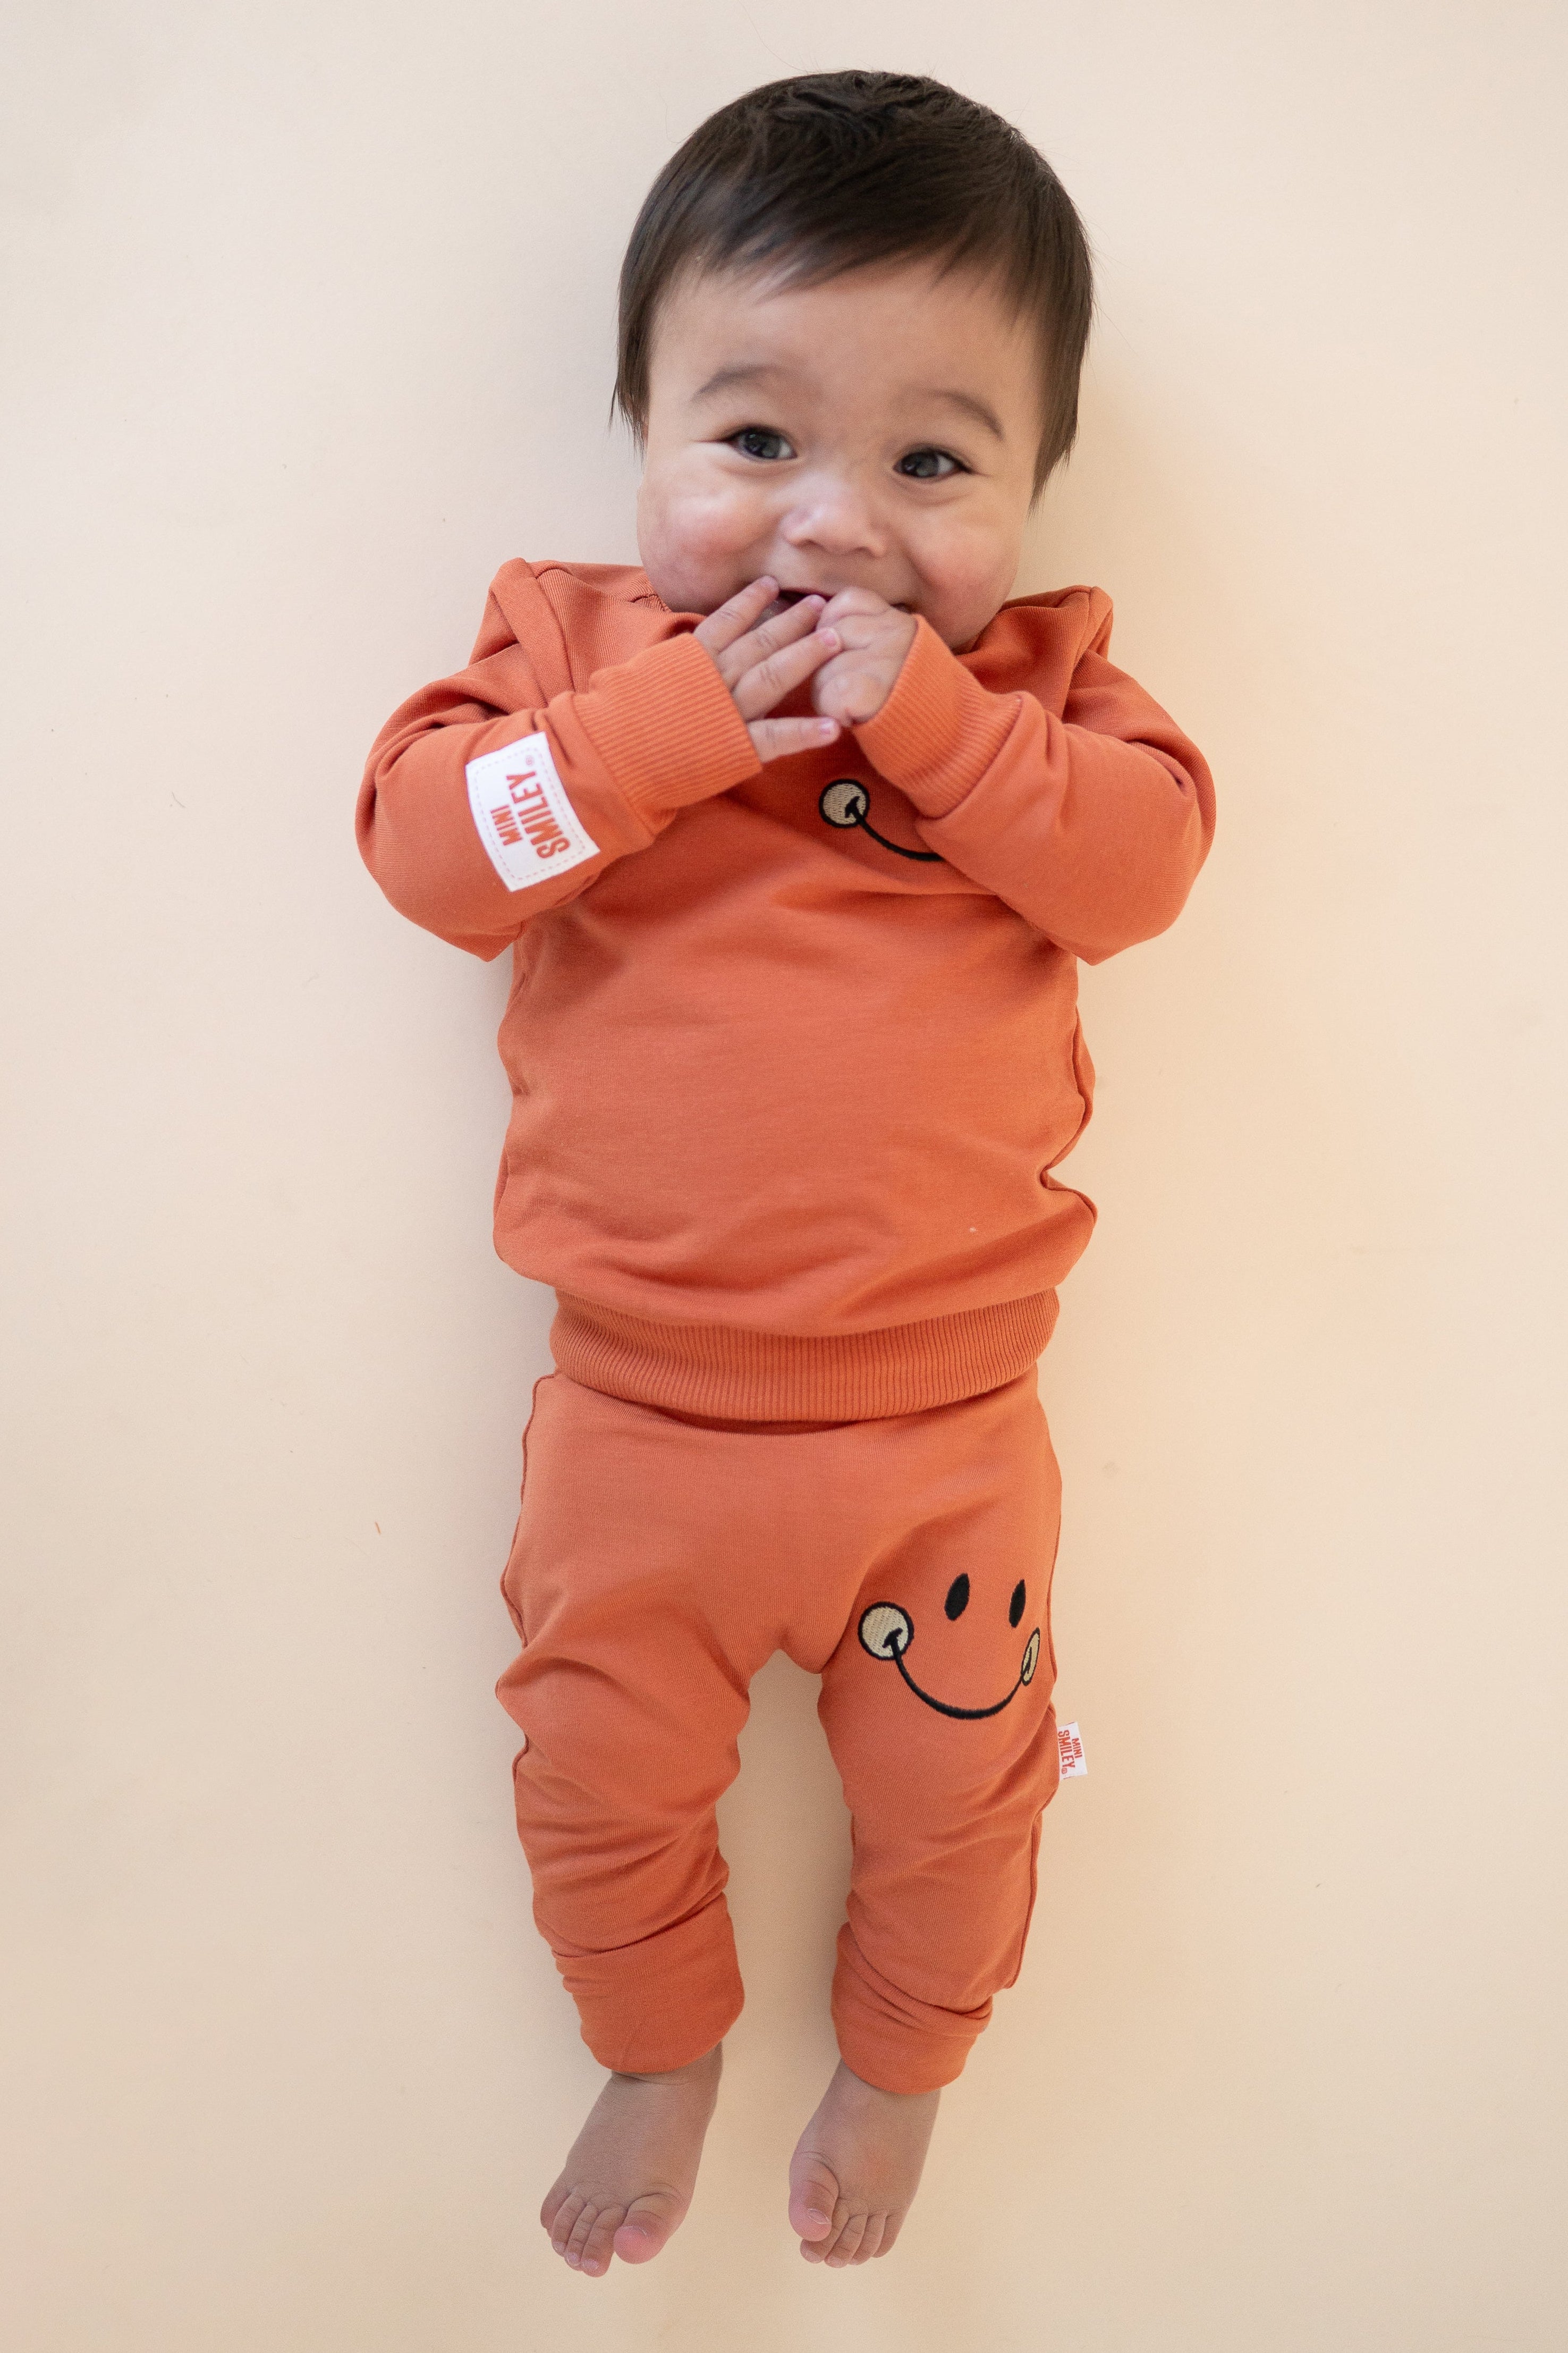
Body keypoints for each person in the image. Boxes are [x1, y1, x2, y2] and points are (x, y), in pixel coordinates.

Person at [358, 69, 1215, 2280]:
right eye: (755, 444)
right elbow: (437, 864)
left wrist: (938, 729)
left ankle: (908, 2060)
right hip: (638, 1427)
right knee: (590, 1767)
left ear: (1030, 492)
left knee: (963, 1791)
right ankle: (655, 2044)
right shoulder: (576, 663)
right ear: (639, 427)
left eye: (931, 462)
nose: (833, 524)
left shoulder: (1035, 698)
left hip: (939, 1447)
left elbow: (1137, 875)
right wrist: (661, 736)